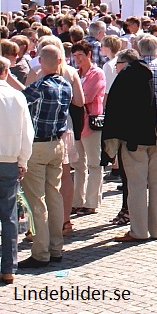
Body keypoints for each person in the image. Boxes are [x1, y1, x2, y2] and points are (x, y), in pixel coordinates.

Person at [109, 35, 157, 242]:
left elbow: (119, 101)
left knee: (137, 183)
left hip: (136, 132)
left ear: (138, 49)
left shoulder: (131, 71)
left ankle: (138, 230)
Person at [18, 45, 72, 269]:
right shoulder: (65, 85)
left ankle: (41, 252)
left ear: (41, 62)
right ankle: (56, 247)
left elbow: (20, 101)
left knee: (36, 200)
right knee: (54, 197)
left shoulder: (38, 86)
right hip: (57, 145)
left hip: (38, 146)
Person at [0, 56, 33, 284]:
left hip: (10, 159)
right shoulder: (17, 97)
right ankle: (9, 267)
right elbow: (27, 133)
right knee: (9, 215)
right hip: (9, 159)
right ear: (5, 72)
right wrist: (23, 160)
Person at [69, 41, 106, 215]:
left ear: (88, 54)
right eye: (75, 56)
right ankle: (77, 200)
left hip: (90, 123)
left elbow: (86, 96)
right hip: (77, 123)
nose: (77, 59)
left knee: (94, 163)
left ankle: (91, 202)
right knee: (78, 164)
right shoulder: (75, 73)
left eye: (80, 55)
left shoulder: (97, 73)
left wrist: (75, 94)